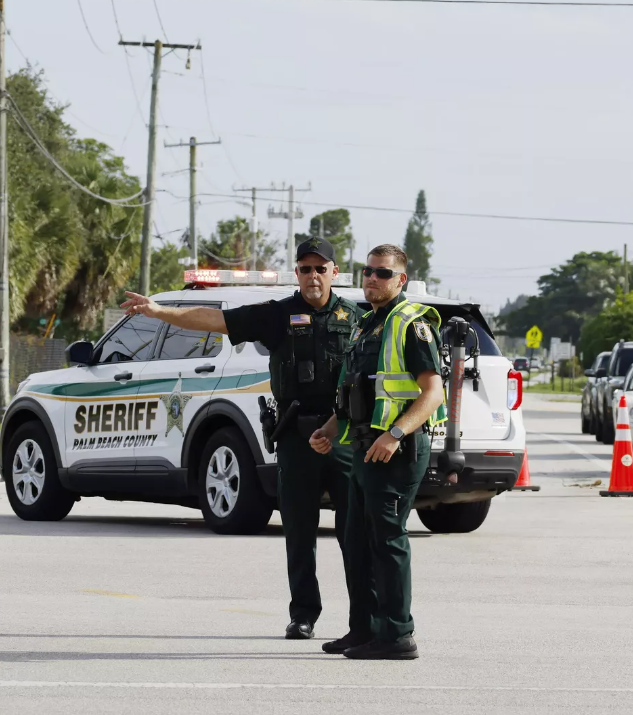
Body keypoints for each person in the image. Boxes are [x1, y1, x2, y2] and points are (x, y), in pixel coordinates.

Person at [119, 237, 364, 642]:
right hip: (296, 434)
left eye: (321, 268)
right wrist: (160, 311)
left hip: (341, 436)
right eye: (305, 268)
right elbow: (216, 320)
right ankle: (303, 614)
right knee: (299, 533)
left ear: (335, 272)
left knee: (354, 533)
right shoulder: (278, 315)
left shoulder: (356, 318)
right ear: (297, 273)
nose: (313, 276)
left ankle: (363, 620)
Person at [309, 244, 446, 660]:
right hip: (364, 446)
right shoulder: (366, 324)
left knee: (387, 541)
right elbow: (358, 392)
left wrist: (397, 434)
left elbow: (432, 392)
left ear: (400, 280)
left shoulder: (411, 323)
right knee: (356, 540)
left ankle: (397, 635)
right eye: (367, 271)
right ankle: (364, 629)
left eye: (382, 273)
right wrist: (329, 430)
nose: (372, 279)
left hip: (396, 450)